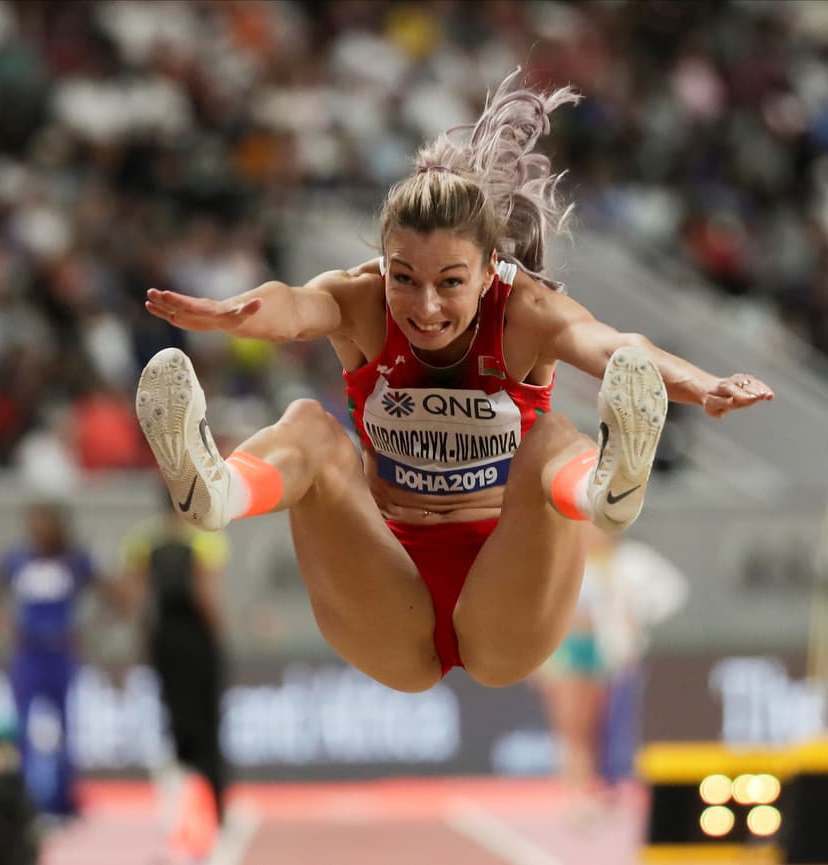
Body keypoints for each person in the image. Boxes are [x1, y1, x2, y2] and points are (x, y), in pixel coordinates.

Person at [134, 70, 772, 693]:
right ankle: (217, 493)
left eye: (451, 283)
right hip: (388, 595)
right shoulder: (361, 299)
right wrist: (231, 314)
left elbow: (617, 349)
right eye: (404, 277)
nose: (425, 306)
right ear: (384, 263)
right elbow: (294, 308)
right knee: (308, 426)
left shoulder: (525, 314)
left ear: (491, 269)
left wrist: (704, 384)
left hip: (506, 597)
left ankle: (607, 492)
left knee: (552, 437)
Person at [536, 525, 687, 818]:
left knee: (592, 726)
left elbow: (667, 592)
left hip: (598, 649)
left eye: (597, 530)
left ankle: (592, 789)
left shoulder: (620, 563)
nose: (593, 535)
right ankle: (574, 794)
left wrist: (638, 614)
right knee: (570, 727)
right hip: (564, 646)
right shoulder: (561, 560)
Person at [118, 487, 229, 858]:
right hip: (196, 641)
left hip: (164, 638)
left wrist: (145, 642)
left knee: (177, 725)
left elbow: (134, 598)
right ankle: (214, 810)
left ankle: (180, 810)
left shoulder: (144, 541)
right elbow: (204, 595)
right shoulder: (204, 540)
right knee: (209, 725)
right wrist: (219, 638)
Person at [0, 502, 98, 820]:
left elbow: (109, 594)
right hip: (28, 654)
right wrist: (3, 625)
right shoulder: (16, 559)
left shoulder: (74, 560)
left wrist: (86, 630)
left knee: (65, 725)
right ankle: (22, 798)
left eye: (44, 523)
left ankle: (64, 797)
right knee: (22, 727)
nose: (38, 531)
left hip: (61, 653)